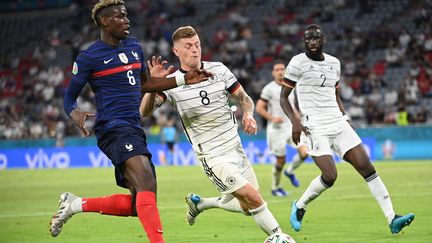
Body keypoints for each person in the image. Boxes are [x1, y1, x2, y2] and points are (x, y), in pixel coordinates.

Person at [49, 1, 210, 243]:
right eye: (120, 17)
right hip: (112, 127)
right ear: (105, 21)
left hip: (134, 126)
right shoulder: (89, 57)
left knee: (141, 203)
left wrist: (184, 79)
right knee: (145, 181)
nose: (127, 21)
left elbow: (146, 84)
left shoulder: (135, 47)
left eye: (126, 16)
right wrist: (74, 112)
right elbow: (69, 97)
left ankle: (75, 204)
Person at [140, 26, 283, 236]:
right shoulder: (170, 82)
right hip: (212, 155)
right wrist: (153, 85)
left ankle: (201, 204)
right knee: (253, 199)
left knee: (247, 206)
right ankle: (279, 236)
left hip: (236, 148)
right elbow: (145, 111)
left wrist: (248, 114)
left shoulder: (219, 69)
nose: (195, 50)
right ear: (176, 51)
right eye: (188, 46)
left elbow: (244, 98)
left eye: (197, 44)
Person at [280, 24, 414, 235]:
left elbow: (336, 95)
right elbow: (283, 97)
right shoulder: (297, 62)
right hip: (314, 125)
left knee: (367, 167)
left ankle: (392, 218)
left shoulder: (335, 63)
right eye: (308, 39)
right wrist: (295, 121)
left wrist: (345, 117)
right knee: (330, 176)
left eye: (315, 39)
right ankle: (299, 206)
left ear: (323, 39)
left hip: (337, 121)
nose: (312, 43)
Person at [256, 60, 308, 197]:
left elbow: (293, 107)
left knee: (305, 152)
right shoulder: (269, 88)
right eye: (277, 69)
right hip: (276, 130)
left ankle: (289, 172)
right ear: (273, 73)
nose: (280, 71)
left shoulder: (290, 86)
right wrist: (272, 118)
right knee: (281, 160)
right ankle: (275, 188)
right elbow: (259, 107)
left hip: (291, 127)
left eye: (282, 69)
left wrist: (299, 122)